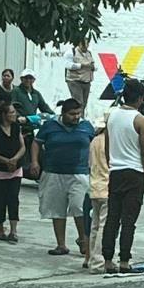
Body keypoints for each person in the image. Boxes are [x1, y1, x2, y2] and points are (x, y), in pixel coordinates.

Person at [31, 98, 94, 256]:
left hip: (79, 173)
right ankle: (61, 245)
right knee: (56, 209)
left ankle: (83, 239)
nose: (76, 117)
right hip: (53, 173)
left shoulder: (86, 126)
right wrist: (34, 162)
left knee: (79, 207)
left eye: (78, 113)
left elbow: (96, 145)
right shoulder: (50, 126)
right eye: (72, 114)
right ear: (63, 113)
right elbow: (36, 142)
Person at [101, 79, 144, 275]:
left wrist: (111, 164)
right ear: (139, 98)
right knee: (128, 220)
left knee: (113, 217)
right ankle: (124, 261)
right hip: (134, 173)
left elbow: (107, 145)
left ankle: (107, 260)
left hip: (116, 171)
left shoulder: (112, 116)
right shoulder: (140, 120)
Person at [0, 100, 25, 242]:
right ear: (3, 115)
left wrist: (14, 160)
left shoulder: (16, 127)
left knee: (13, 199)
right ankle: (0, 228)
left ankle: (13, 230)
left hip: (15, 169)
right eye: (12, 112)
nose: (14, 115)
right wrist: (5, 161)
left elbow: (22, 146)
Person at [85, 115, 109, 274]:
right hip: (107, 186)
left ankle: (92, 258)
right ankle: (99, 262)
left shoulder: (94, 141)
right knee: (103, 226)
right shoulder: (111, 141)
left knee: (94, 226)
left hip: (94, 187)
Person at [64, 39, 96, 115]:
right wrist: (82, 65)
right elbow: (68, 65)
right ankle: (78, 120)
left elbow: (93, 65)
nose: (85, 47)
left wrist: (93, 67)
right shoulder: (71, 52)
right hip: (75, 81)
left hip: (87, 81)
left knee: (84, 104)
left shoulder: (89, 53)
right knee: (79, 102)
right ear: (79, 44)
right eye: (83, 45)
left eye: (87, 45)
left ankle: (81, 119)